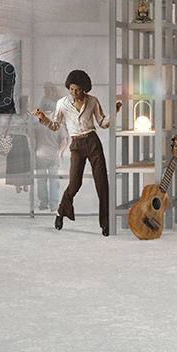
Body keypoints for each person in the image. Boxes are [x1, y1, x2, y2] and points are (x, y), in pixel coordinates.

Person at [34, 69, 115, 236]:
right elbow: (55, 126)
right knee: (74, 184)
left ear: (84, 88)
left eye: (77, 89)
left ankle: (105, 223)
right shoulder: (62, 103)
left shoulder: (92, 101)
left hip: (93, 142)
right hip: (76, 145)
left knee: (102, 184)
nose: (74, 93)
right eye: (71, 89)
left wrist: (113, 113)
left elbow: (102, 123)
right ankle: (61, 212)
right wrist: (43, 118)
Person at [33, 84, 66, 212]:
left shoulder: (37, 125)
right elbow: (63, 141)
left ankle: (43, 203)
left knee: (41, 180)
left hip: (41, 154)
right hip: (53, 154)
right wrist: (59, 151)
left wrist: (35, 153)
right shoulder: (58, 124)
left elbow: (34, 141)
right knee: (53, 181)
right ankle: (54, 205)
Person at [4, 95, 32, 194]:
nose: (29, 103)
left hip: (12, 140)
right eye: (28, 101)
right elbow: (29, 131)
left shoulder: (12, 114)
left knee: (15, 163)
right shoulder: (27, 116)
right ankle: (26, 185)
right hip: (22, 141)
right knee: (25, 163)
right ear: (25, 103)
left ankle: (17, 185)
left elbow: (6, 127)